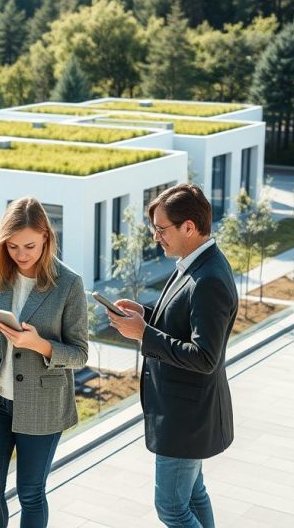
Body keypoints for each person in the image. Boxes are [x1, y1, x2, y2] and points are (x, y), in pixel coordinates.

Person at [107, 183, 237, 528]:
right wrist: (146, 315)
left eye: (161, 229)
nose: (155, 237)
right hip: (186, 415)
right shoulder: (196, 263)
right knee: (194, 497)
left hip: (185, 420)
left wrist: (144, 334)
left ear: (189, 227)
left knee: (171, 508)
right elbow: (183, 322)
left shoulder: (208, 278)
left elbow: (205, 356)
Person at [0, 196, 88, 528]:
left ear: (46, 237)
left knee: (30, 493)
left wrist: (39, 345)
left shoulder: (69, 285)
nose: (21, 254)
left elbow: (79, 354)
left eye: (29, 245)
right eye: (13, 246)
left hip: (42, 405)